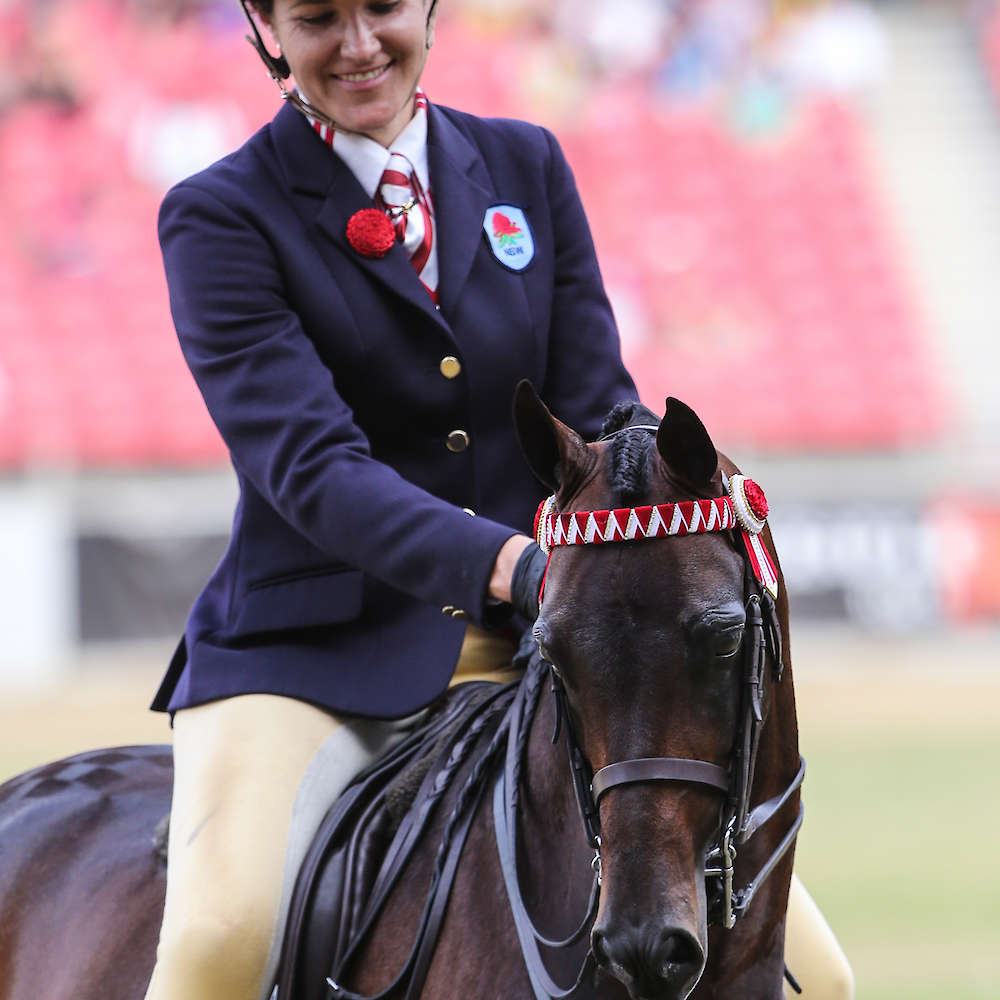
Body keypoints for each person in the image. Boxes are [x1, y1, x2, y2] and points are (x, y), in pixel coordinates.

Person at [143, 2, 852, 999]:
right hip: (309, 659)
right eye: (318, 16)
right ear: (265, 25)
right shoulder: (220, 213)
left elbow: (597, 409)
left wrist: (668, 501)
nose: (359, 43)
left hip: (552, 647)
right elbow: (310, 466)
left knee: (821, 978)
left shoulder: (526, 164)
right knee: (221, 935)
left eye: (383, 7)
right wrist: (513, 565)